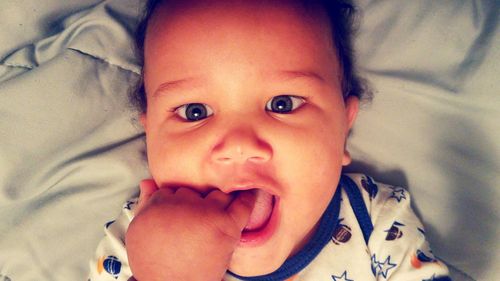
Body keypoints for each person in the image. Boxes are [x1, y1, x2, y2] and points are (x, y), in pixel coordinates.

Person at [89, 0, 452, 280]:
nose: (238, 145)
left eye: (283, 104)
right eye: (194, 112)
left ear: (343, 127)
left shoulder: (377, 221)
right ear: (149, 134)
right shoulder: (136, 241)